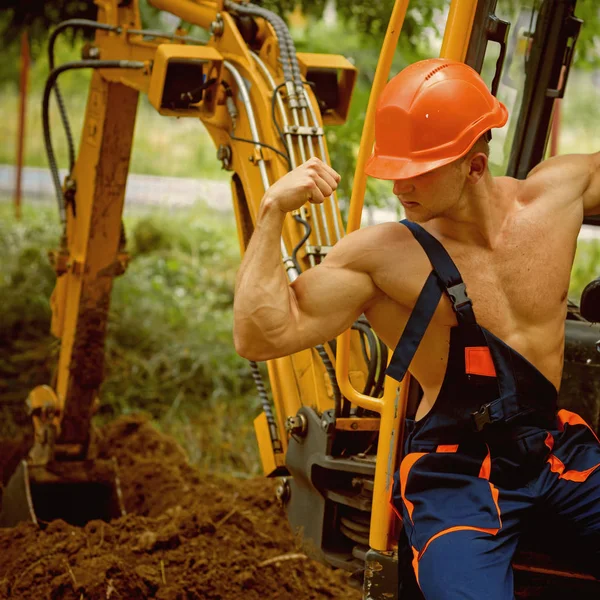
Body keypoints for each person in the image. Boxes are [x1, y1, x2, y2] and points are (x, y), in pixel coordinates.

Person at [233, 58, 600, 599]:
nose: (400, 184)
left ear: (474, 166)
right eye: (393, 167)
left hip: (552, 450)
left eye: (419, 168)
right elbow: (260, 337)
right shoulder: (382, 258)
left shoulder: (556, 199)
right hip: (458, 476)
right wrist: (271, 213)